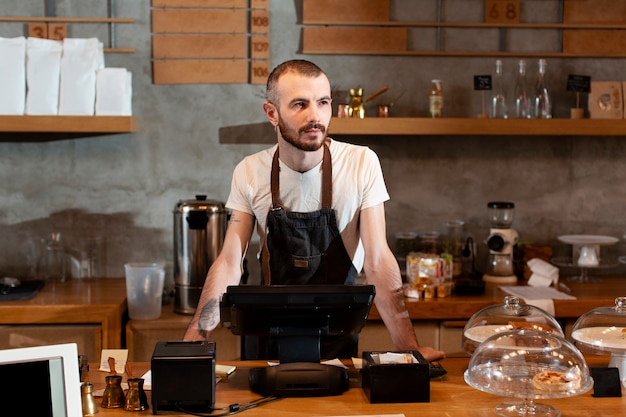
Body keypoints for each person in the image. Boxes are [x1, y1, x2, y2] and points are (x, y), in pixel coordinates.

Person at [184, 59, 445, 362]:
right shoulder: (249, 171)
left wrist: (408, 350)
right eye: (299, 105)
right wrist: (194, 342)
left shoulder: (361, 164)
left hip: (339, 338)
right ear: (272, 113)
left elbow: (377, 260)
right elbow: (230, 263)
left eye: (323, 103)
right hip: (268, 339)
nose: (315, 116)